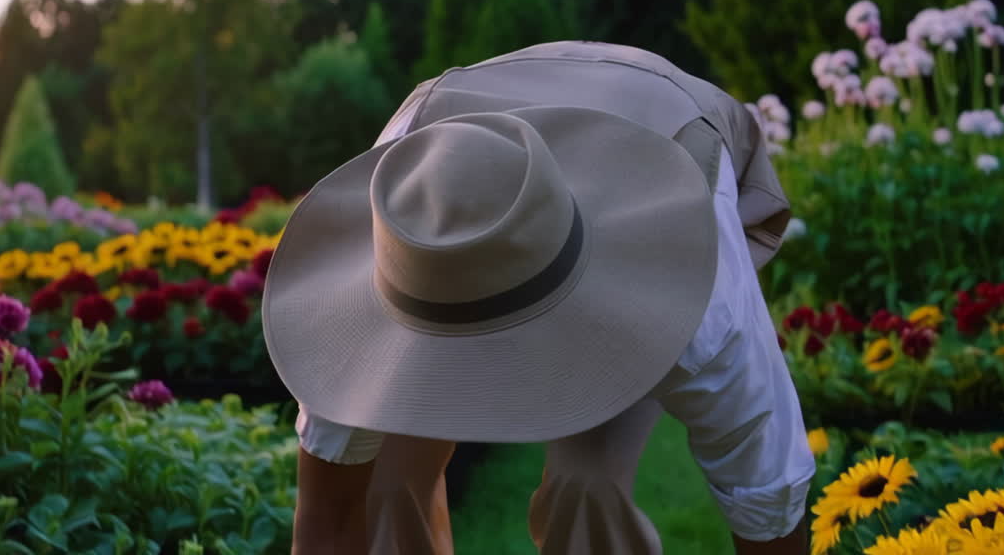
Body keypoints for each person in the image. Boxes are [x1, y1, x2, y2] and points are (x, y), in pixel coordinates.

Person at [262, 42, 815, 554]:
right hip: (459, 138)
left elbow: (769, 498)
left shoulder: (702, 303)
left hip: (647, 167)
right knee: (387, 485)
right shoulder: (402, 223)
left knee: (589, 489)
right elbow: (329, 519)